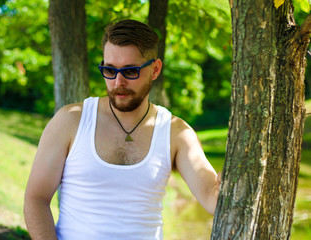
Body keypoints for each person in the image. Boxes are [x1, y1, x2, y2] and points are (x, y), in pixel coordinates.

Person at [24, 19, 221, 240]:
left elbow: (211, 197)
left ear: (155, 70)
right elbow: (36, 198)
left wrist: (228, 183)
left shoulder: (176, 133)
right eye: (109, 70)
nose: (118, 82)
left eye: (130, 71)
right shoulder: (71, 120)